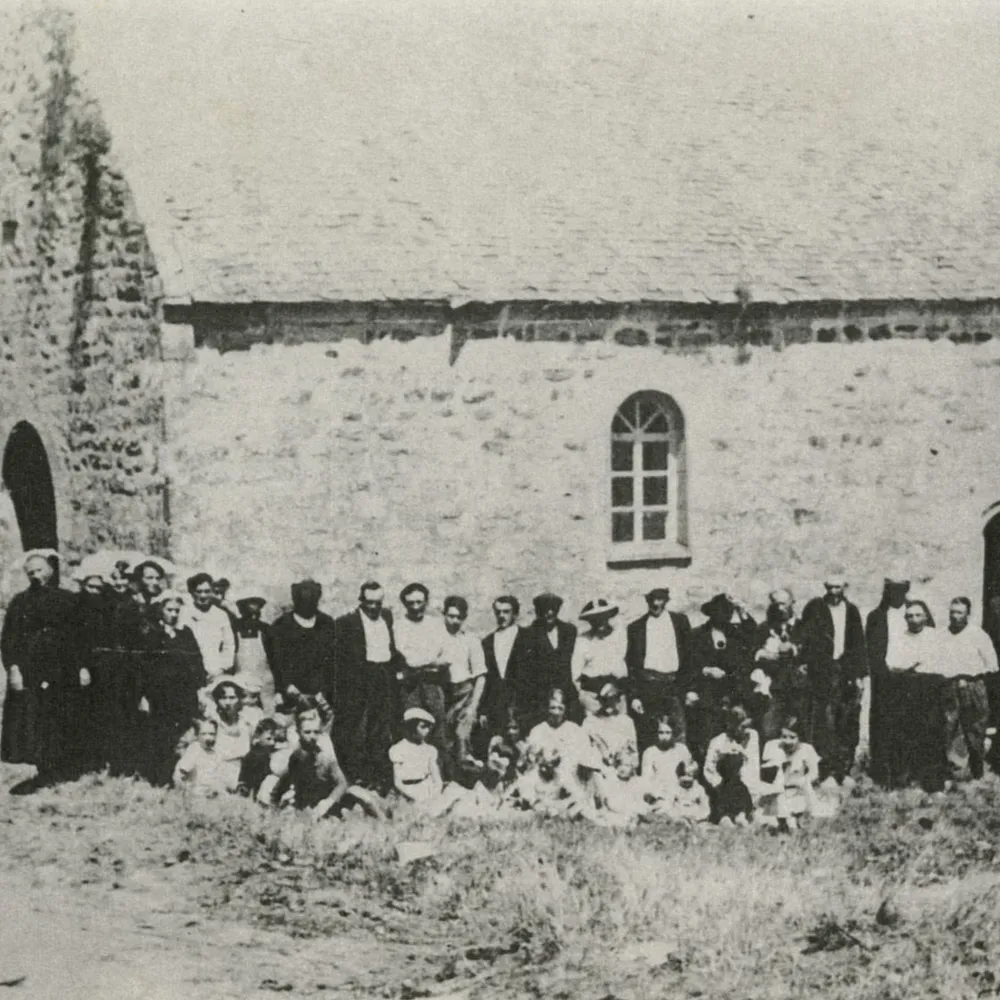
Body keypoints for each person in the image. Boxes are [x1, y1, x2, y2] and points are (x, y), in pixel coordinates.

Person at [1, 550, 85, 789]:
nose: (36, 576)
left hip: (63, 666)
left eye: (39, 570)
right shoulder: (20, 602)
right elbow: (9, 639)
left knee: (63, 714)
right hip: (32, 667)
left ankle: (65, 767)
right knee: (36, 717)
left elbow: (80, 637)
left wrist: (82, 667)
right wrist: (14, 668)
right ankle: (44, 769)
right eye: (31, 573)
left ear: (50, 570)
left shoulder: (68, 599)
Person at [799, 576, 867, 783]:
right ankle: (825, 770)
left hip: (845, 671)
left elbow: (858, 643)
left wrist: (859, 675)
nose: (834, 591)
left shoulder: (852, 610)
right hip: (822, 672)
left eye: (838, 587)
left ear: (845, 587)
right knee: (824, 721)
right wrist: (805, 663)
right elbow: (805, 636)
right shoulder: (815, 607)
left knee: (846, 719)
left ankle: (843, 770)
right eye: (830, 587)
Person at [332, 581, 399, 792]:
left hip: (382, 676)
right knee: (354, 730)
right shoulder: (346, 622)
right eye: (369, 602)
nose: (373, 607)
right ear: (361, 601)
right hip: (358, 681)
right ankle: (353, 777)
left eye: (377, 603)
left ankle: (377, 778)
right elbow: (338, 659)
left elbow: (391, 649)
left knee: (379, 730)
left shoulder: (387, 617)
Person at [107, 558, 170, 776]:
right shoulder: (127, 607)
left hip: (153, 672)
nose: (154, 582)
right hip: (131, 673)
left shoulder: (157, 607)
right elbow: (120, 643)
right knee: (131, 718)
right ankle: (125, 768)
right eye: (149, 577)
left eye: (157, 578)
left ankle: (146, 767)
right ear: (139, 580)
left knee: (151, 719)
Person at [137, 591, 206, 786]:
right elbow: (143, 667)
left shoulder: (185, 634)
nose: (174, 614)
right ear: (160, 610)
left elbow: (197, 662)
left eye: (177, 610)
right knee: (160, 736)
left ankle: (182, 777)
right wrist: (142, 696)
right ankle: (159, 779)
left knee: (183, 736)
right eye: (169, 610)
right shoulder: (151, 634)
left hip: (184, 695)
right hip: (159, 696)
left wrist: (200, 689)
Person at [271, 708, 384, 818]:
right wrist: (274, 804)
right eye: (307, 732)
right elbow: (282, 783)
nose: (312, 737)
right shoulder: (296, 757)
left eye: (316, 732)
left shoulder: (325, 756)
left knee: (365, 798)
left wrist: (328, 802)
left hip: (332, 797)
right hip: (310, 802)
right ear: (298, 732)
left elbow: (342, 783)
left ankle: (384, 821)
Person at [885, 599, 946, 790]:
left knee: (931, 735)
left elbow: (938, 663)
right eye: (909, 615)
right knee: (903, 735)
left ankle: (933, 784)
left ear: (926, 617)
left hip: (930, 688)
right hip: (905, 688)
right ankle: (901, 782)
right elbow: (892, 663)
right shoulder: (899, 636)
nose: (914, 619)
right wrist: (913, 664)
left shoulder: (935, 636)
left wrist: (912, 664)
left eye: (918, 615)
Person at [687, 593, 756, 762]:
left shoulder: (736, 634)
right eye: (719, 613)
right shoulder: (697, 635)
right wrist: (706, 670)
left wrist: (742, 611)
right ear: (711, 614)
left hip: (732, 694)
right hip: (707, 695)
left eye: (727, 613)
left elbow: (753, 635)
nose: (723, 617)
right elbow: (688, 665)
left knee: (734, 739)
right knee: (708, 738)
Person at [625, 587, 693, 752]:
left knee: (678, 732)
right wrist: (634, 696)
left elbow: (690, 658)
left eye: (660, 599)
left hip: (674, 685)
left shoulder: (680, 622)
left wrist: (690, 689)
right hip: (648, 686)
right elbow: (631, 665)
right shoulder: (636, 627)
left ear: (666, 600)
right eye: (651, 599)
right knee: (650, 734)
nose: (655, 603)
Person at [939, 597, 998, 780]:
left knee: (975, 730)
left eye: (959, 613)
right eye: (952, 612)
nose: (955, 616)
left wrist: (970, 674)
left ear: (968, 614)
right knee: (946, 728)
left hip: (972, 686)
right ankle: (946, 773)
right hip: (948, 686)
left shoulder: (978, 635)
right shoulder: (942, 634)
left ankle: (976, 773)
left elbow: (993, 664)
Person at [865, 574, 911, 785]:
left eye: (900, 589)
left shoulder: (917, 612)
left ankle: (907, 772)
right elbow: (872, 650)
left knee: (908, 723)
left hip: (911, 678)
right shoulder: (876, 616)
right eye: (892, 589)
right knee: (883, 724)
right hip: (884, 679)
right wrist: (883, 671)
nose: (896, 594)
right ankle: (882, 772)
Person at [393, 583, 450, 750]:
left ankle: (439, 773)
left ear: (426, 602)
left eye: (420, 602)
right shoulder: (399, 626)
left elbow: (446, 656)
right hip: (410, 685)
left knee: (438, 727)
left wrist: (422, 661)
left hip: (433, 683)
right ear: (404, 604)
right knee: (413, 727)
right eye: (411, 603)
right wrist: (431, 660)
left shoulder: (436, 624)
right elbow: (409, 660)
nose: (416, 607)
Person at [440, 596, 487, 784]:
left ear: (464, 618)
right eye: (450, 616)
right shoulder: (437, 637)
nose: (454, 621)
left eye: (458, 617)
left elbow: (480, 676)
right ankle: (445, 780)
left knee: (462, 737)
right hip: (442, 692)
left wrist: (472, 707)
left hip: (464, 693)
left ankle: (466, 781)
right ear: (443, 614)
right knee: (443, 737)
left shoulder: (471, 640)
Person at [750, 589, 807, 741]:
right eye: (776, 604)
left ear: (792, 603)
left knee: (801, 730)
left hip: (799, 689)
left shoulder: (804, 627)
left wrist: (793, 649)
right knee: (769, 730)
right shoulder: (763, 628)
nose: (780, 608)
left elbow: (812, 653)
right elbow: (752, 653)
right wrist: (762, 654)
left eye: (783, 604)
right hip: (774, 689)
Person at [583, 680, 643, 823]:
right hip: (601, 772)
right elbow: (585, 754)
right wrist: (602, 768)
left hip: (623, 772)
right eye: (605, 700)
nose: (608, 704)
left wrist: (625, 766)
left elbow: (634, 755)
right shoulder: (590, 722)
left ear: (618, 700)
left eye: (612, 700)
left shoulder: (626, 722)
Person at [268, 579, 337, 702]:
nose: (307, 606)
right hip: (291, 693)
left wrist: (325, 690)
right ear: (295, 601)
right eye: (303, 602)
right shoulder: (281, 626)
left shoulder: (327, 623)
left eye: (311, 602)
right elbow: (276, 661)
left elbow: (332, 660)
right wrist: (287, 685)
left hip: (322, 694)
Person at [388, 707, 465, 816]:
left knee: (455, 791)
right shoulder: (399, 749)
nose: (427, 731)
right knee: (416, 810)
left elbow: (437, 778)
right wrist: (415, 796)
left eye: (429, 727)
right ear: (411, 728)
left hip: (426, 788)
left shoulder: (430, 750)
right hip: (408, 792)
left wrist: (435, 792)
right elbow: (398, 782)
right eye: (423, 727)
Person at [481, 595, 536, 737]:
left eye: (506, 612)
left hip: (523, 705)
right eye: (498, 612)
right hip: (497, 705)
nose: (501, 616)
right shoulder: (487, 642)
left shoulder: (529, 637)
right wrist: (483, 710)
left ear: (515, 614)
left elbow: (537, 674)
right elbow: (486, 679)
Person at [521, 592, 579, 729]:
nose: (549, 613)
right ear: (538, 612)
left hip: (566, 691)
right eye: (545, 610)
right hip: (540, 693)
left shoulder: (569, 631)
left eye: (553, 609)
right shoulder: (528, 634)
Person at [525, 686, 597, 791]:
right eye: (553, 708)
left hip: (571, 780)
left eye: (560, 708)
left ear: (565, 709)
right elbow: (532, 761)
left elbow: (585, 757)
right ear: (546, 709)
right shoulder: (537, 730)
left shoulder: (575, 730)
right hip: (544, 781)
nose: (556, 713)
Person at [758, 717, 825, 830]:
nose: (787, 741)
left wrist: (803, 780)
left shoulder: (806, 749)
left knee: (803, 809)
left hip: (798, 789)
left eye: (792, 737)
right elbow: (766, 772)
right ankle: (782, 822)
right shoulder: (775, 747)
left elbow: (815, 773)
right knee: (772, 811)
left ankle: (797, 820)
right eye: (784, 736)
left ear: (800, 738)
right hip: (778, 790)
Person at [640, 716, 710, 822]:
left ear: (673, 734)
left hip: (681, 793)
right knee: (663, 810)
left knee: (693, 809)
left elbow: (690, 773)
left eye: (668, 733)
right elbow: (646, 780)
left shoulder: (681, 749)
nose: (664, 736)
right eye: (661, 732)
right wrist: (659, 796)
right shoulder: (650, 752)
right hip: (661, 795)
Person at [703, 705, 760, 826]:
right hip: (724, 784)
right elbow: (709, 769)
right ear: (732, 725)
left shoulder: (752, 736)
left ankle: (742, 815)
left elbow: (753, 765)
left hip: (745, 784)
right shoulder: (718, 742)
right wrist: (720, 785)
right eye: (742, 727)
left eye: (748, 726)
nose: (746, 730)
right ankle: (725, 817)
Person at [571, 599, 628, 716]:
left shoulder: (619, 635)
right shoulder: (583, 640)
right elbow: (575, 674)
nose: (600, 622)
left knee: (619, 727)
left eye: (603, 617)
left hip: (616, 693)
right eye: (595, 619)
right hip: (592, 694)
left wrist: (619, 688)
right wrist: (584, 697)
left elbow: (625, 665)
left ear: (608, 617)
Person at [182, 573, 236, 682]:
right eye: (199, 591)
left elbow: (229, 645)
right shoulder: (184, 612)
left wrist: (221, 668)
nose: (203, 596)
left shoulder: (221, 615)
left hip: (214, 672)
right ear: (192, 593)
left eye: (207, 591)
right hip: (188, 672)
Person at [206, 678, 256, 792]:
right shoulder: (212, 723)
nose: (228, 703)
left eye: (232, 698)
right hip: (217, 773)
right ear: (216, 700)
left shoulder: (247, 723)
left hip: (243, 773)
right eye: (223, 698)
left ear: (239, 699)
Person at [232, 596, 274, 708]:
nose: (253, 618)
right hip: (242, 683)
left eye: (256, 614)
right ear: (241, 612)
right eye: (249, 615)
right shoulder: (234, 629)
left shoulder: (266, 630)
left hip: (265, 685)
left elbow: (276, 660)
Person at [173, 718, 229, 794]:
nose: (208, 738)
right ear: (197, 735)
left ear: (216, 735)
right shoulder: (194, 749)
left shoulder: (217, 752)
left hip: (213, 791)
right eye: (204, 734)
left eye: (212, 734)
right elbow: (181, 774)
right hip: (196, 791)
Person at [237, 717, 282, 802]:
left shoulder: (266, 753)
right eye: (268, 739)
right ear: (257, 737)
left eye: (275, 740)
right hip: (253, 794)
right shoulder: (255, 756)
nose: (272, 743)